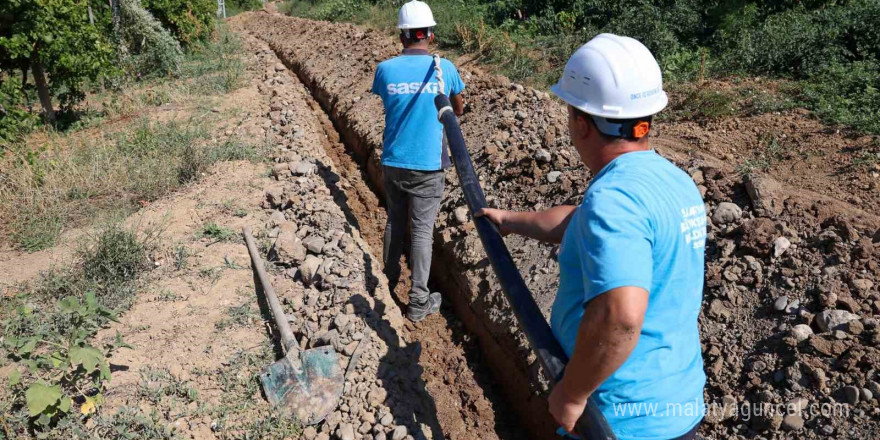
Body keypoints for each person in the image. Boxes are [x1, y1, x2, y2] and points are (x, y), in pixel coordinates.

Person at [478, 34, 706, 440]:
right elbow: (577, 223)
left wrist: (572, 392)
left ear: (582, 124)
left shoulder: (615, 199)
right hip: (677, 403)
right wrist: (509, 220)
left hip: (620, 420)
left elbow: (620, 318)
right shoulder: (672, 181)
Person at [371, 0, 465, 322]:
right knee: (422, 232)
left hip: (394, 160)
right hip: (428, 165)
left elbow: (388, 100)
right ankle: (418, 301)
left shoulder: (385, 70)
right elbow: (458, 110)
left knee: (396, 220)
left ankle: (388, 278)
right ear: (431, 36)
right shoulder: (445, 69)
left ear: (402, 37)